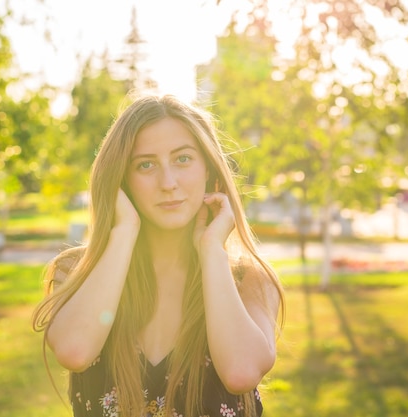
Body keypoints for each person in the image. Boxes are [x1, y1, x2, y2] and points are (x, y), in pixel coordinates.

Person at [32, 94, 285, 417]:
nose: (168, 183)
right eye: (145, 165)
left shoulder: (248, 281)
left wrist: (211, 251)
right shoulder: (77, 271)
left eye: (182, 159)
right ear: (122, 179)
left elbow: (241, 373)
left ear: (208, 169)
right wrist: (123, 232)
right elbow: (75, 351)